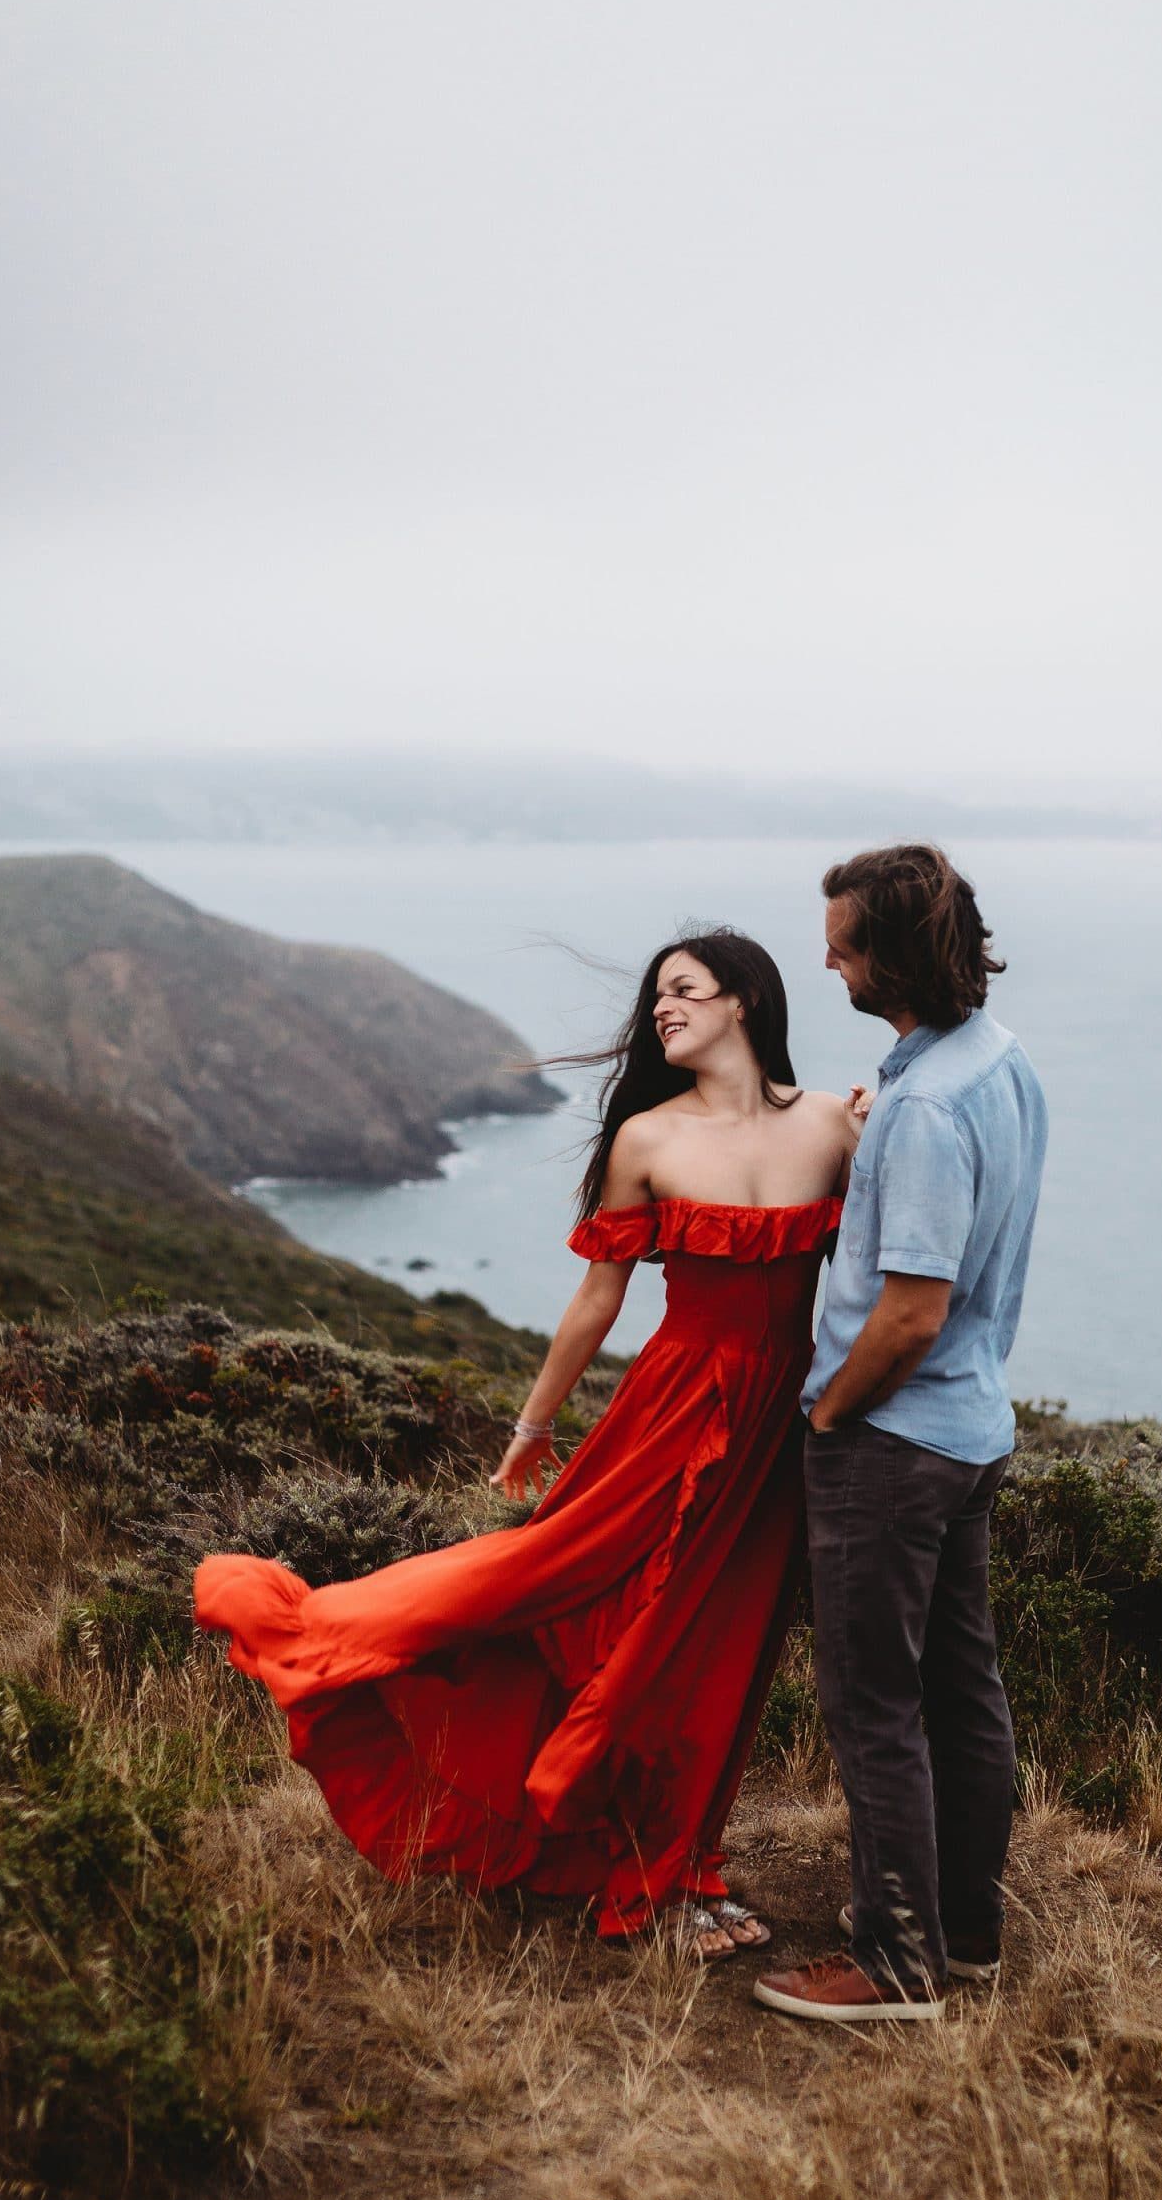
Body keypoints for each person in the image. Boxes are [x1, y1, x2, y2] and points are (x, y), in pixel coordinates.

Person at [195, 929, 857, 1958]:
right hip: (672, 1412)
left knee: (726, 1648)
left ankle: (681, 1867)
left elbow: (893, 1254)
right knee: (568, 1592)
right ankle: (319, 1633)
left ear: (746, 1002)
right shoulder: (646, 1138)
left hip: (780, 1428)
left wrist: (886, 1117)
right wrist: (533, 1424)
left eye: (683, 991)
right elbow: (599, 1299)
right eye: (656, 998)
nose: (661, 1011)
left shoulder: (834, 1123)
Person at [753, 844, 1048, 2027]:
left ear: (900, 952)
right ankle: (966, 1932)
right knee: (958, 1685)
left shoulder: (925, 1108)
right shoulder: (996, 1062)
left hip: (891, 1440)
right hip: (970, 1430)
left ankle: (895, 1962)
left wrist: (828, 1413)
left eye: (846, 943)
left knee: (872, 1696)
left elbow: (911, 1312)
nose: (826, 958)